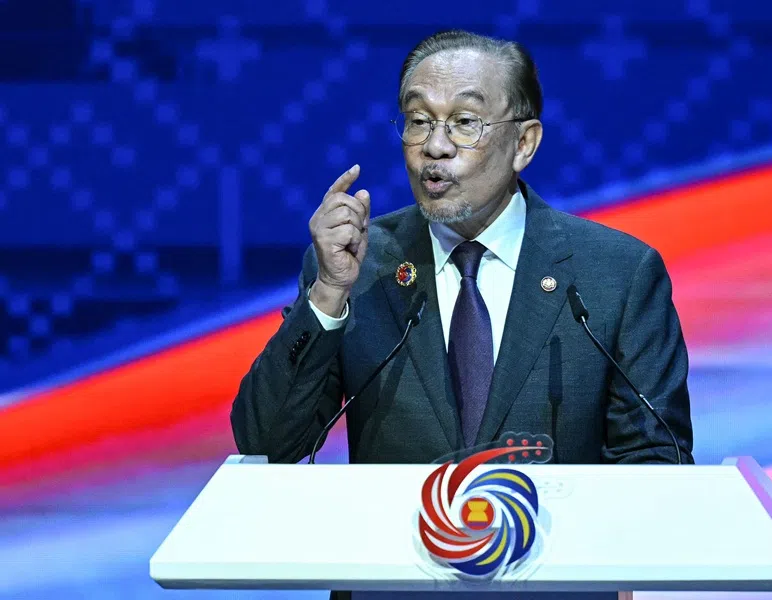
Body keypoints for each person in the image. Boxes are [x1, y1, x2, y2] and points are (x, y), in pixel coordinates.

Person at [230, 29, 693, 467]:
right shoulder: (358, 268)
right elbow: (267, 445)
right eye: (418, 121)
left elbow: (657, 464)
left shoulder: (617, 274)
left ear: (524, 143)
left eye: (464, 123)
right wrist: (329, 294)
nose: (435, 146)